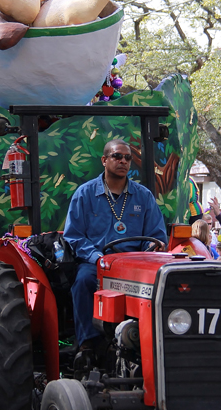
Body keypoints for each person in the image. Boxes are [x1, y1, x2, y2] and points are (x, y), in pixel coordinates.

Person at [63, 139, 167, 358]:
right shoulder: (85, 194)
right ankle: (88, 344)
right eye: (117, 156)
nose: (123, 161)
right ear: (104, 160)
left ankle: (154, 340)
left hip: (135, 265)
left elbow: (156, 236)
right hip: (98, 262)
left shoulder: (144, 196)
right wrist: (96, 257)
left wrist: (152, 247)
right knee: (83, 281)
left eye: (127, 158)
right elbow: (74, 235)